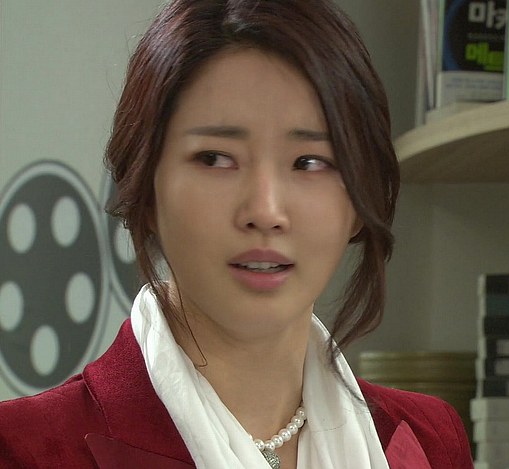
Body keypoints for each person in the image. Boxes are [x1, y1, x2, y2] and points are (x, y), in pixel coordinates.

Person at [0, 1, 474, 468]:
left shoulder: (431, 440)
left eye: (310, 162)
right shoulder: (24, 448)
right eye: (215, 159)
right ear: (145, 190)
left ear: (359, 200)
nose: (265, 211)